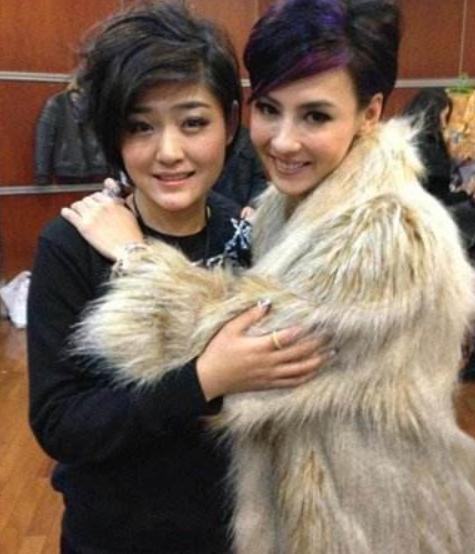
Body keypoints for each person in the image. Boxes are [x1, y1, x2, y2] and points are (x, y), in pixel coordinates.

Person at [66, 0, 475, 553]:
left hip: (373, 520)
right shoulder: (289, 204)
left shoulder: (387, 226)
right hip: (315, 498)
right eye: (269, 109)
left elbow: (252, 351)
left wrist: (134, 254)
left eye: (315, 116)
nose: (283, 141)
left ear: (370, 113)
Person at [27, 3, 329, 553]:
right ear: (114, 134)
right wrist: (203, 380)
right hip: (113, 538)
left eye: (193, 123)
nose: (169, 152)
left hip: (237, 535)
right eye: (140, 126)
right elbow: (61, 424)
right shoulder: (71, 245)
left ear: (230, 123)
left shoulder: (250, 235)